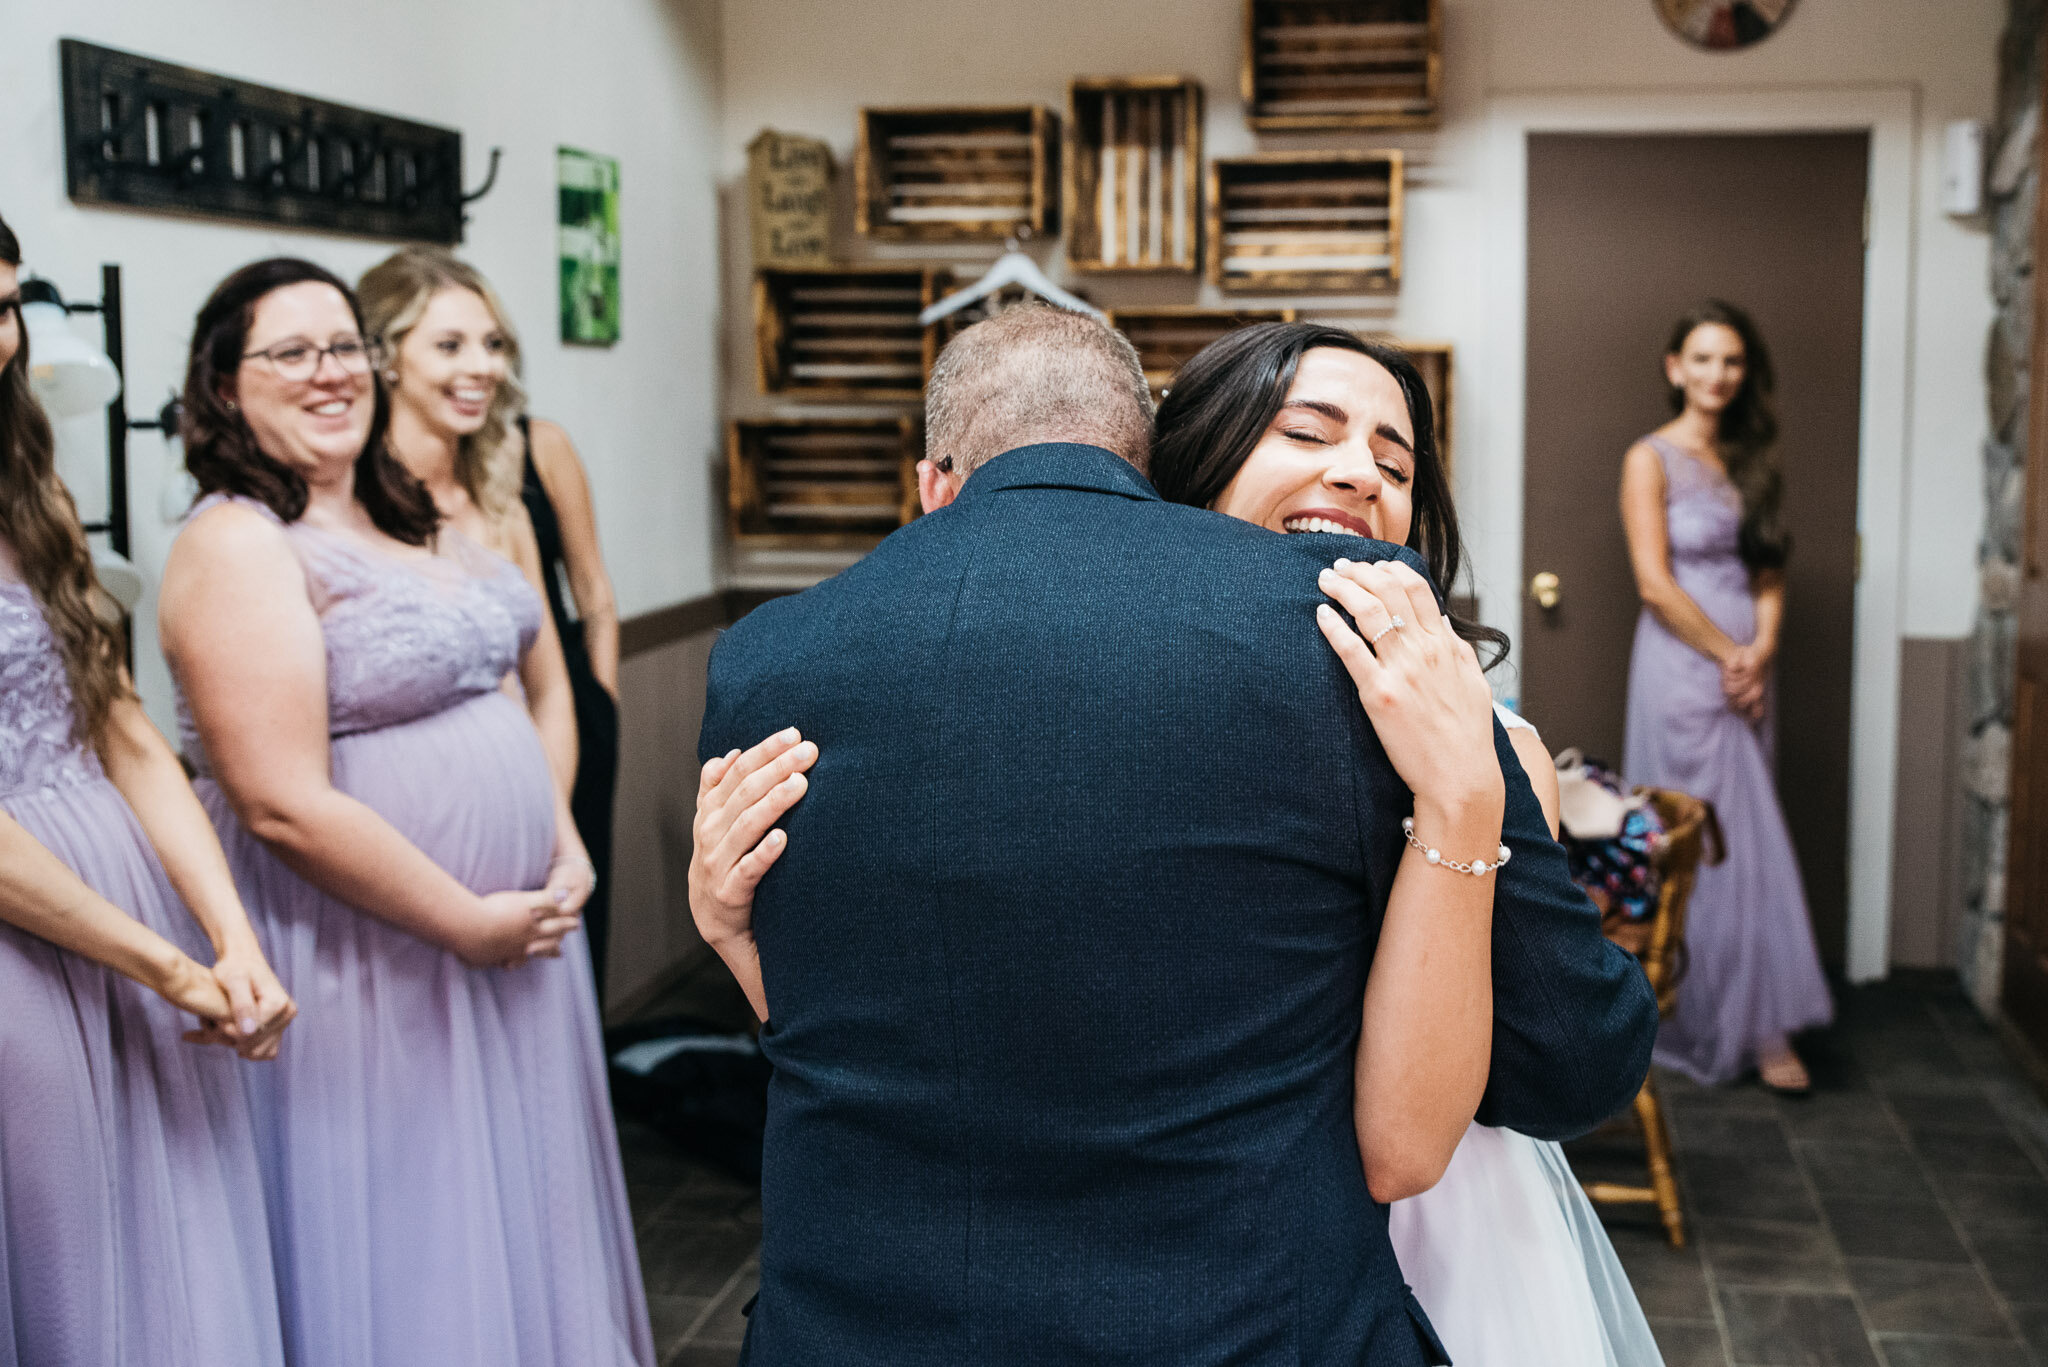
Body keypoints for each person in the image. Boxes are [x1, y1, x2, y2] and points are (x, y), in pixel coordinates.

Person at [688, 304, 1658, 1364]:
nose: (1358, 475)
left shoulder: (767, 658)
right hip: (1243, 1319)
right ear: (1155, 467)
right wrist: (739, 935)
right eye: (1305, 432)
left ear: (934, 484)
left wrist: (1468, 793)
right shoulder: (1324, 645)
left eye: (1396, 460)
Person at [159, 257, 653, 1367]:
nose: (328, 371)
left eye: (342, 346)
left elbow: (522, 685)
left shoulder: (410, 510)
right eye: (290, 352)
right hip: (374, 949)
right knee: (416, 1213)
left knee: (518, 1194)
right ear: (225, 386)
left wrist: (559, 836)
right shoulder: (236, 540)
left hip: (507, 946)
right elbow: (278, 802)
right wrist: (461, 921)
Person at [0, 212, 294, 1365]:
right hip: (29, 932)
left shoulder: (28, 489)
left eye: (8, 307)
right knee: (62, 1234)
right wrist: (164, 962)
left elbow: (120, 722)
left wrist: (227, 930)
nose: (1, 343)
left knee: (172, 1215)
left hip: (123, 879)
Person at [361, 246, 622, 1000]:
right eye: (450, 344)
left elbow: (576, 615)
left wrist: (596, 702)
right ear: (384, 358)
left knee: (564, 955)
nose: (482, 365)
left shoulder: (509, 473)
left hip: (558, 740)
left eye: (492, 343)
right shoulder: (351, 495)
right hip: (432, 798)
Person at [1620, 301, 1832, 1092]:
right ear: (1675, 367)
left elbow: (1768, 567)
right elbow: (1653, 581)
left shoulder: (1752, 456)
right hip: (1684, 670)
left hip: (1749, 672)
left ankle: (1759, 1019)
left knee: (1749, 835)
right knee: (1701, 841)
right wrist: (1727, 655)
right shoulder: (1650, 457)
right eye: (1703, 358)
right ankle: (1700, 1017)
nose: (1718, 374)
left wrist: (1763, 649)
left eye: (1733, 360)